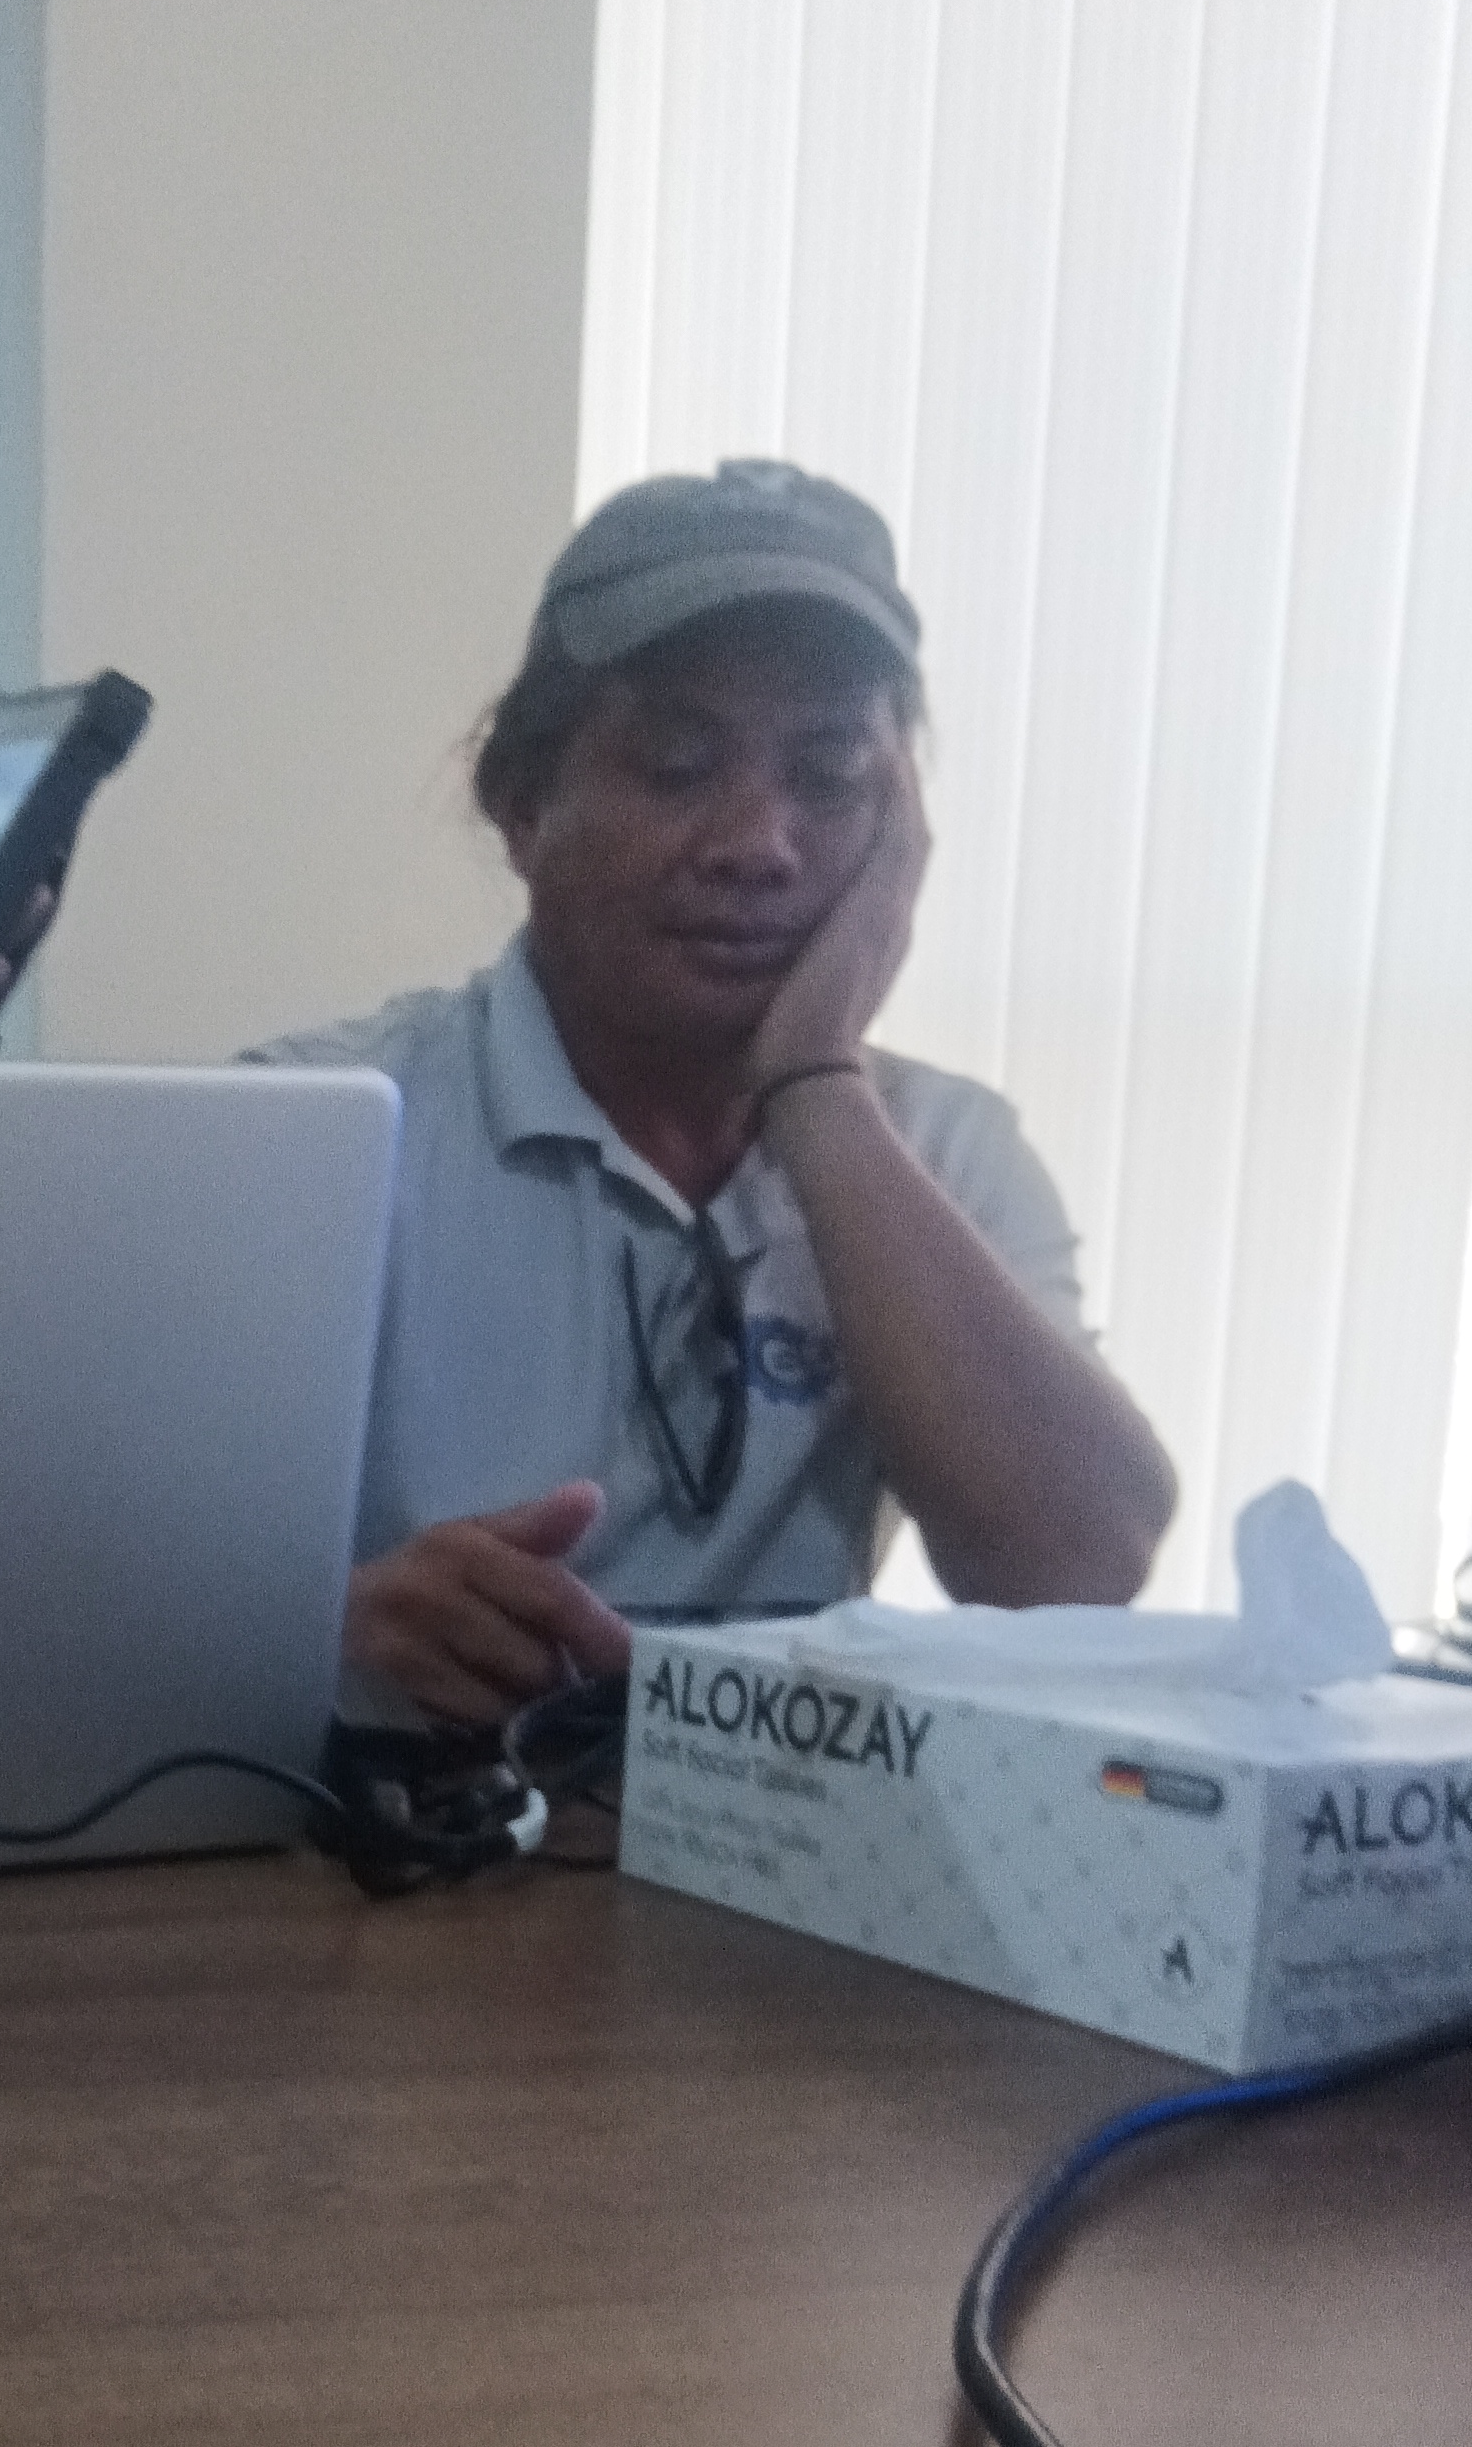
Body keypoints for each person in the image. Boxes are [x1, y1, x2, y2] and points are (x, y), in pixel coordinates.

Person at [256, 460, 1176, 1727]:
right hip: (393, 1827)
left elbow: (1075, 1571)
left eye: (830, 778)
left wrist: (816, 1084)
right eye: (678, 766)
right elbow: (69, 1606)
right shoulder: (313, 1136)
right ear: (522, 804)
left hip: (781, 1835)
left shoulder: (941, 1150)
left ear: (900, 836)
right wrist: (322, 1628)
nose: (758, 845)